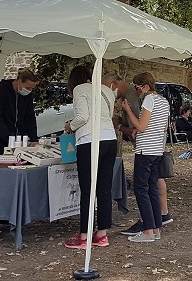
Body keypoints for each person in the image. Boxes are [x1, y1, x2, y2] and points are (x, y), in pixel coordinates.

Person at [63, 67, 118, 249]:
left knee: (87, 189)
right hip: (110, 139)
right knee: (104, 187)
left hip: (89, 139)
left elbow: (83, 117)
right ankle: (102, 233)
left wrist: (70, 126)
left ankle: (84, 235)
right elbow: (108, 115)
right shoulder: (106, 90)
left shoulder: (80, 90)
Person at [0, 68, 40, 234]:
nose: (29, 91)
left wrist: (33, 138)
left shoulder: (26, 97)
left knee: (9, 181)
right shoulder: (0, 91)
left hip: (15, 141)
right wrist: (8, 139)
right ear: (19, 82)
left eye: (32, 88)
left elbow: (29, 117)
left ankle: (5, 215)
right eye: (28, 87)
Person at [112, 74, 174, 234]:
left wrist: (127, 110)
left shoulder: (149, 99)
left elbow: (141, 126)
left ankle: (148, 229)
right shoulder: (164, 101)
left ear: (146, 86)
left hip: (145, 149)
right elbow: (163, 127)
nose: (136, 92)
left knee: (141, 188)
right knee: (152, 187)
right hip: (157, 150)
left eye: (138, 88)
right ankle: (156, 227)